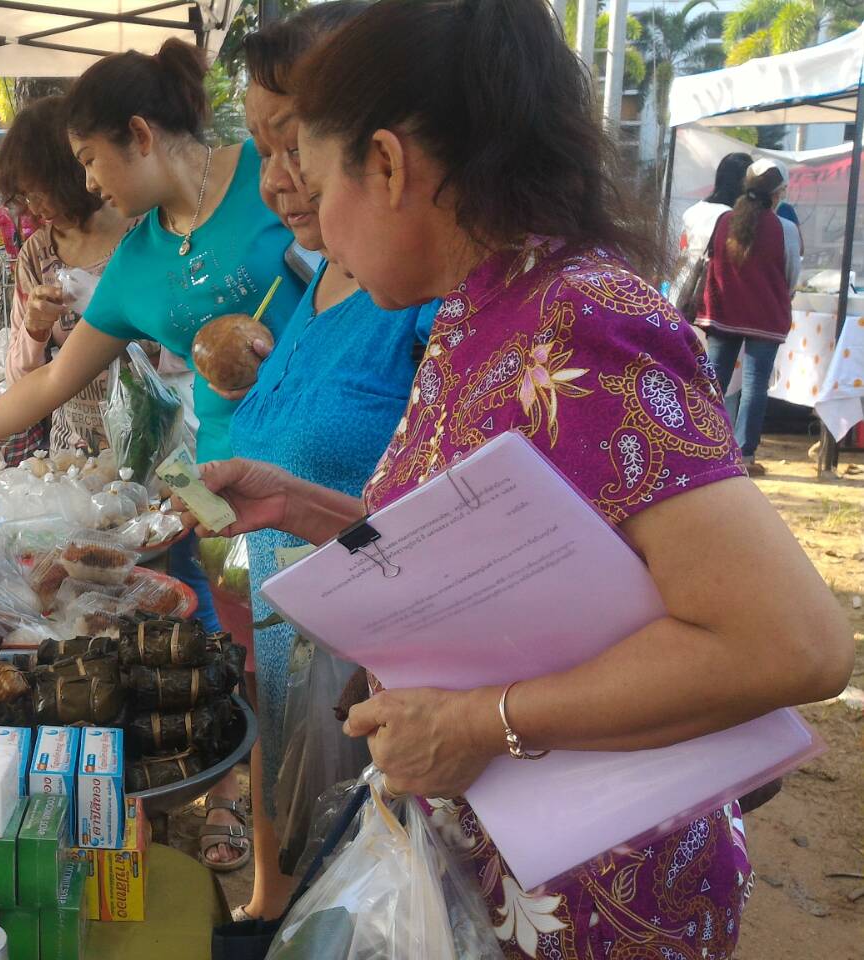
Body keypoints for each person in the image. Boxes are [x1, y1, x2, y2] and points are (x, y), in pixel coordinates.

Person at [193, 2, 850, 957]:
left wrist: (481, 723)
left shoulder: (580, 320)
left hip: (600, 889)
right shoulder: (480, 308)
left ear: (388, 165)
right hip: (496, 864)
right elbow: (496, 550)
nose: (316, 224)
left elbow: (794, 645)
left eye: (321, 180)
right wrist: (309, 510)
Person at [0, 39, 305, 639]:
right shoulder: (136, 260)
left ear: (140, 135)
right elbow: (54, 378)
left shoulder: (268, 171)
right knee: (261, 657)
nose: (89, 183)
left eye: (91, 159)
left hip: (327, 460)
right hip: (227, 490)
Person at [224, 0, 434, 913]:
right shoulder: (309, 282)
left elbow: (449, 539)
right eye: (262, 150)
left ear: (382, 153)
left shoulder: (436, 300)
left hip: (384, 704)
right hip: (292, 673)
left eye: (295, 145)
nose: (279, 181)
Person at [0, 96, 136, 464]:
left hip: (150, 445)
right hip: (72, 458)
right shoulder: (36, 255)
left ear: (73, 171)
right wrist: (35, 330)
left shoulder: (142, 234)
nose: (35, 208)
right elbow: (19, 380)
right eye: (25, 196)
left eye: (41, 192)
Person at [695, 158, 801, 476]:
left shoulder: (723, 221)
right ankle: (745, 454)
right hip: (766, 315)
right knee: (755, 385)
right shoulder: (785, 229)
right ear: (777, 193)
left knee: (713, 378)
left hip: (724, 312)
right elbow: (792, 275)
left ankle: (704, 444)